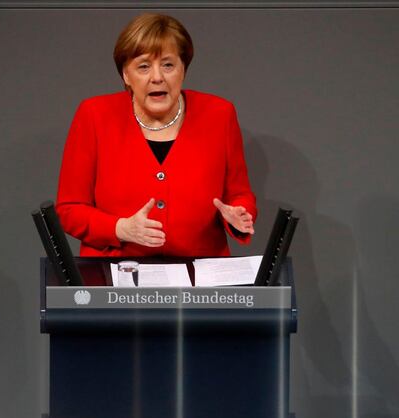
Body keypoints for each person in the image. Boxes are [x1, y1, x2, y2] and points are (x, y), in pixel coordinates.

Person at [55, 13, 257, 257]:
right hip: (116, 278)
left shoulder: (219, 114)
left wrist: (240, 212)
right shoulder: (94, 115)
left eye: (168, 65)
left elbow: (239, 194)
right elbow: (69, 208)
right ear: (126, 75)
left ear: (183, 69)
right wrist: (121, 228)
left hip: (199, 279)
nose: (157, 77)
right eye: (143, 66)